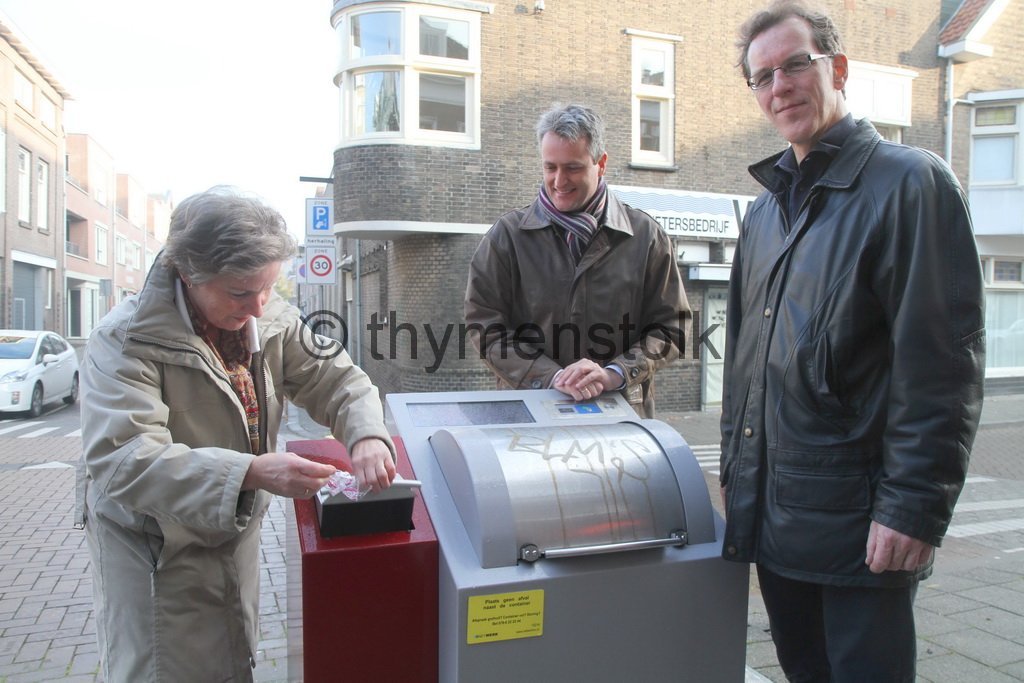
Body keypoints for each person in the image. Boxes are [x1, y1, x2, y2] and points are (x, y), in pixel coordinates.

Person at [720, 2, 986, 681]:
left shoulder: (910, 184)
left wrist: (913, 510)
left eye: (795, 65)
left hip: (863, 530)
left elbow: (942, 367)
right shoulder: (764, 211)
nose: (779, 86)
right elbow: (746, 365)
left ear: (837, 68)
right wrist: (738, 488)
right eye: (762, 76)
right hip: (777, 524)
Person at [76, 187, 397, 682]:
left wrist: (367, 434)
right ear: (189, 275)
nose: (258, 306)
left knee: (231, 657)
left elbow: (334, 377)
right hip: (157, 551)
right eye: (240, 293)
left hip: (229, 535)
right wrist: (250, 472)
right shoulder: (125, 341)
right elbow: (125, 459)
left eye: (267, 288)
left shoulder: (268, 318)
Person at [464, 103, 689, 418]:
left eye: (572, 168)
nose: (559, 181)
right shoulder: (507, 238)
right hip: (532, 419)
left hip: (620, 417)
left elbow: (673, 327)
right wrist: (551, 377)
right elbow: (485, 326)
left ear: (601, 164)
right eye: (550, 167)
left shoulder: (646, 236)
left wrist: (615, 373)